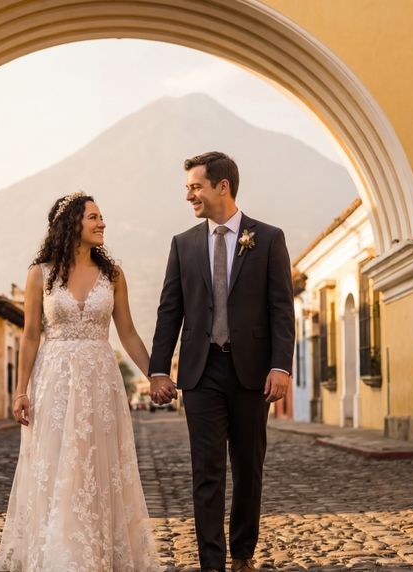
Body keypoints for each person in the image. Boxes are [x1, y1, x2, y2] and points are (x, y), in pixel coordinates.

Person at [0, 192, 160, 571]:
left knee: (95, 464)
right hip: (55, 380)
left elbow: (127, 333)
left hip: (101, 379)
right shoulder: (40, 274)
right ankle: (60, 550)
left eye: (102, 217)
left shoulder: (113, 276)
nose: (102, 223)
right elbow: (31, 335)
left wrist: (156, 374)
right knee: (57, 462)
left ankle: (98, 548)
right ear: (71, 225)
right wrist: (21, 391)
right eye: (94, 217)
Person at [148, 152, 294, 572]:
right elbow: (169, 310)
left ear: (222, 186)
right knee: (206, 469)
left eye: (195, 186)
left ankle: (243, 553)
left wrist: (280, 366)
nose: (189, 195)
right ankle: (211, 561)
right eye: (188, 188)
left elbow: (282, 309)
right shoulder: (183, 244)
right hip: (200, 372)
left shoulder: (267, 238)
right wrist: (160, 368)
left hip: (252, 374)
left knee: (248, 467)